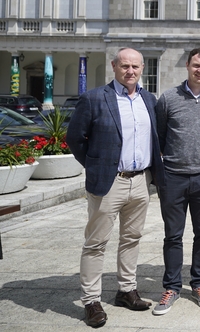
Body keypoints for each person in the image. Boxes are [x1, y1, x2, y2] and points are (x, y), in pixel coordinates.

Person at [66, 47, 165, 327]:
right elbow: (75, 138)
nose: (130, 71)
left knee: (132, 238)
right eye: (124, 66)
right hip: (110, 182)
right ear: (114, 66)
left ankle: (126, 290)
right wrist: (96, 165)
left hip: (141, 181)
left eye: (135, 66)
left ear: (142, 68)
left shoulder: (149, 99)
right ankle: (91, 301)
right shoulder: (95, 98)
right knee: (96, 243)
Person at [153, 47, 200, 315]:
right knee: (173, 235)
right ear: (187, 65)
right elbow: (160, 135)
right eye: (196, 65)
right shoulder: (168, 98)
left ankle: (199, 283)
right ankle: (172, 286)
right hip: (172, 176)